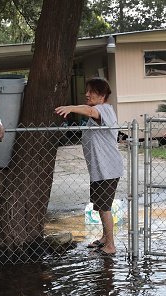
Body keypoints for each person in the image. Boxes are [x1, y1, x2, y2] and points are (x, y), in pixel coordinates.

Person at [55, 78, 124, 255]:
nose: (87, 94)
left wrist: (71, 108)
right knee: (100, 204)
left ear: (102, 95)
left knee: (105, 206)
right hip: (99, 170)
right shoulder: (99, 110)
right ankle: (104, 238)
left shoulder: (104, 110)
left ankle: (111, 245)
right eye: (86, 91)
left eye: (91, 91)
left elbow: (89, 110)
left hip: (107, 169)